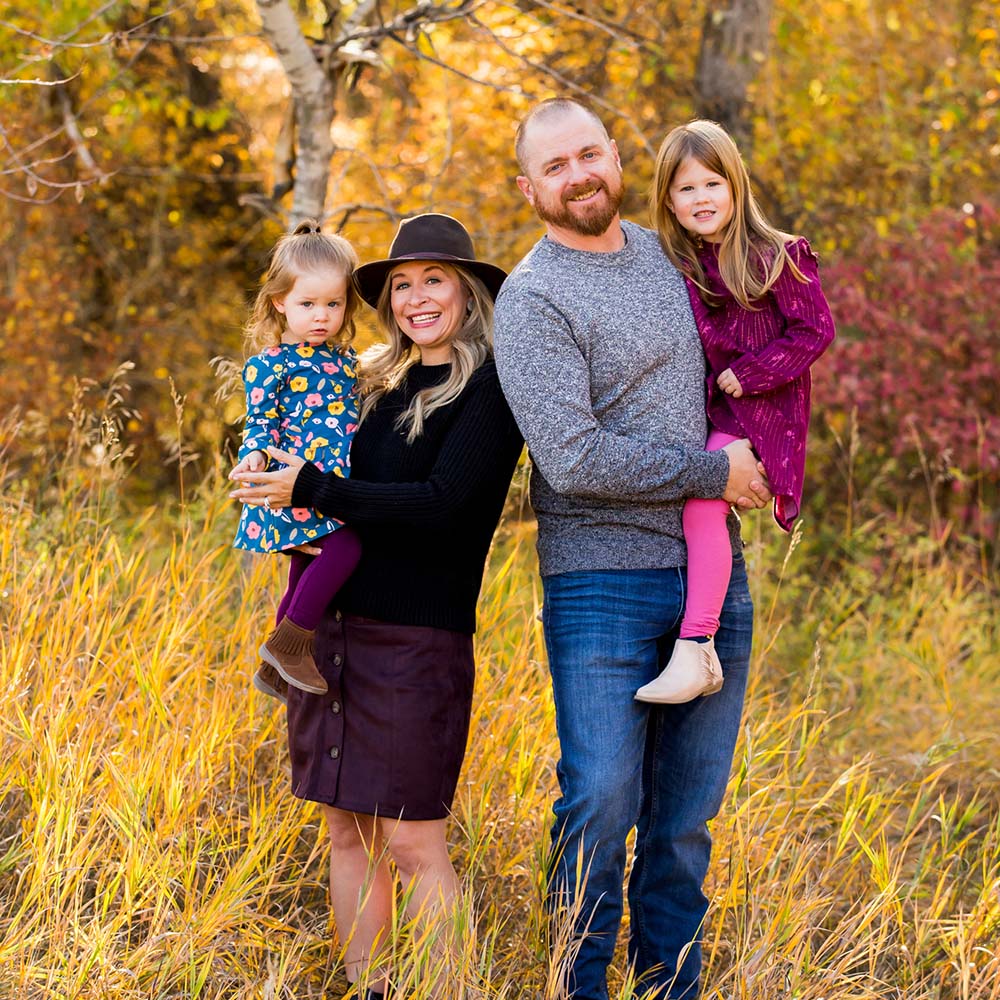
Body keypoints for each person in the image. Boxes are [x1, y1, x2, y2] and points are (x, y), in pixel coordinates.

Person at [492, 98, 771, 1000]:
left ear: (615, 156)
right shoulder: (532, 299)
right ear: (529, 185)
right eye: (556, 166)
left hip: (709, 580)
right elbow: (571, 460)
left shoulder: (668, 255)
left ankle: (668, 988)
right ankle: (577, 984)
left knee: (686, 821)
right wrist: (708, 472)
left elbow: (758, 325)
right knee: (603, 801)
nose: (579, 176)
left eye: (589, 154)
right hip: (599, 581)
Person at [229, 213, 523, 1000]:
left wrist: (315, 490)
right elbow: (291, 437)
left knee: (414, 840)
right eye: (401, 285)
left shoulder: (492, 386)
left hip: (417, 637)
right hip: (331, 632)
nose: (417, 298)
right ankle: (371, 990)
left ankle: (451, 991)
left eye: (435, 281)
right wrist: (259, 463)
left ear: (466, 291)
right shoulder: (368, 381)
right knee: (345, 829)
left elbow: (442, 503)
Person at [635, 120, 835, 704]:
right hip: (713, 418)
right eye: (686, 189)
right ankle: (694, 641)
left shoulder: (778, 256)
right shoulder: (685, 267)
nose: (701, 199)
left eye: (712, 184)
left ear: (736, 186)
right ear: (669, 202)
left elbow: (815, 331)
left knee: (702, 501)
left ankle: (697, 645)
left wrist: (750, 374)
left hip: (765, 416)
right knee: (696, 506)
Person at [233, 220, 363, 699]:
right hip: (294, 482)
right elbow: (259, 423)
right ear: (279, 303)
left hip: (334, 486)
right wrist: (253, 457)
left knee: (305, 567)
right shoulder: (271, 364)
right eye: (307, 304)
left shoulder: (348, 362)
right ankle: (291, 645)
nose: (321, 315)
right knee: (346, 548)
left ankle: (274, 663)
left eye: (334, 303)